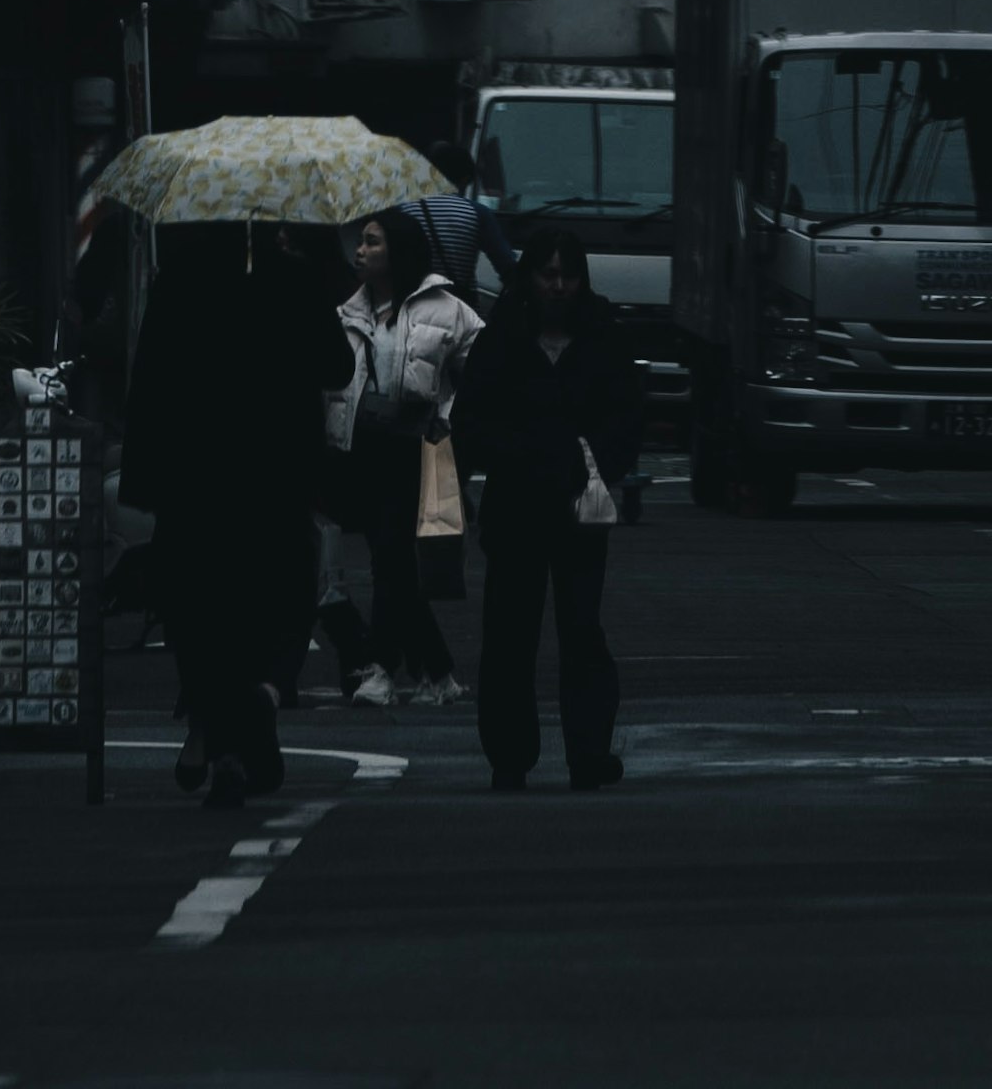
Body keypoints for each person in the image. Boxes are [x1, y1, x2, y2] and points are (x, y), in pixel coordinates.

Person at [118, 221, 342, 808]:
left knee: (200, 609)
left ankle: (217, 740)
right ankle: (264, 693)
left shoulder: (180, 281)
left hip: (196, 481)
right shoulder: (294, 279)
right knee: (283, 599)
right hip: (277, 475)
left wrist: (146, 478)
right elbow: (337, 366)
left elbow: (149, 383)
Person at [450, 224, 639, 794]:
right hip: (518, 505)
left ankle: (588, 751)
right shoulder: (502, 336)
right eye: (548, 274)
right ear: (529, 277)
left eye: (569, 275)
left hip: (580, 507)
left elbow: (626, 415)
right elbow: (471, 421)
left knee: (581, 630)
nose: (559, 286)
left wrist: (595, 464)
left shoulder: (602, 334)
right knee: (510, 633)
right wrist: (530, 453)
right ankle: (510, 754)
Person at [329, 206, 482, 708]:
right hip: (365, 450)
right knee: (390, 563)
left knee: (391, 560)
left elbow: (481, 372)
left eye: (373, 242)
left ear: (398, 251)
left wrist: (449, 413)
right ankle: (435, 674)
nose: (361, 251)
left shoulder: (445, 308)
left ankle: (383, 668)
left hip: (417, 448)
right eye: (361, 242)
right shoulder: (347, 312)